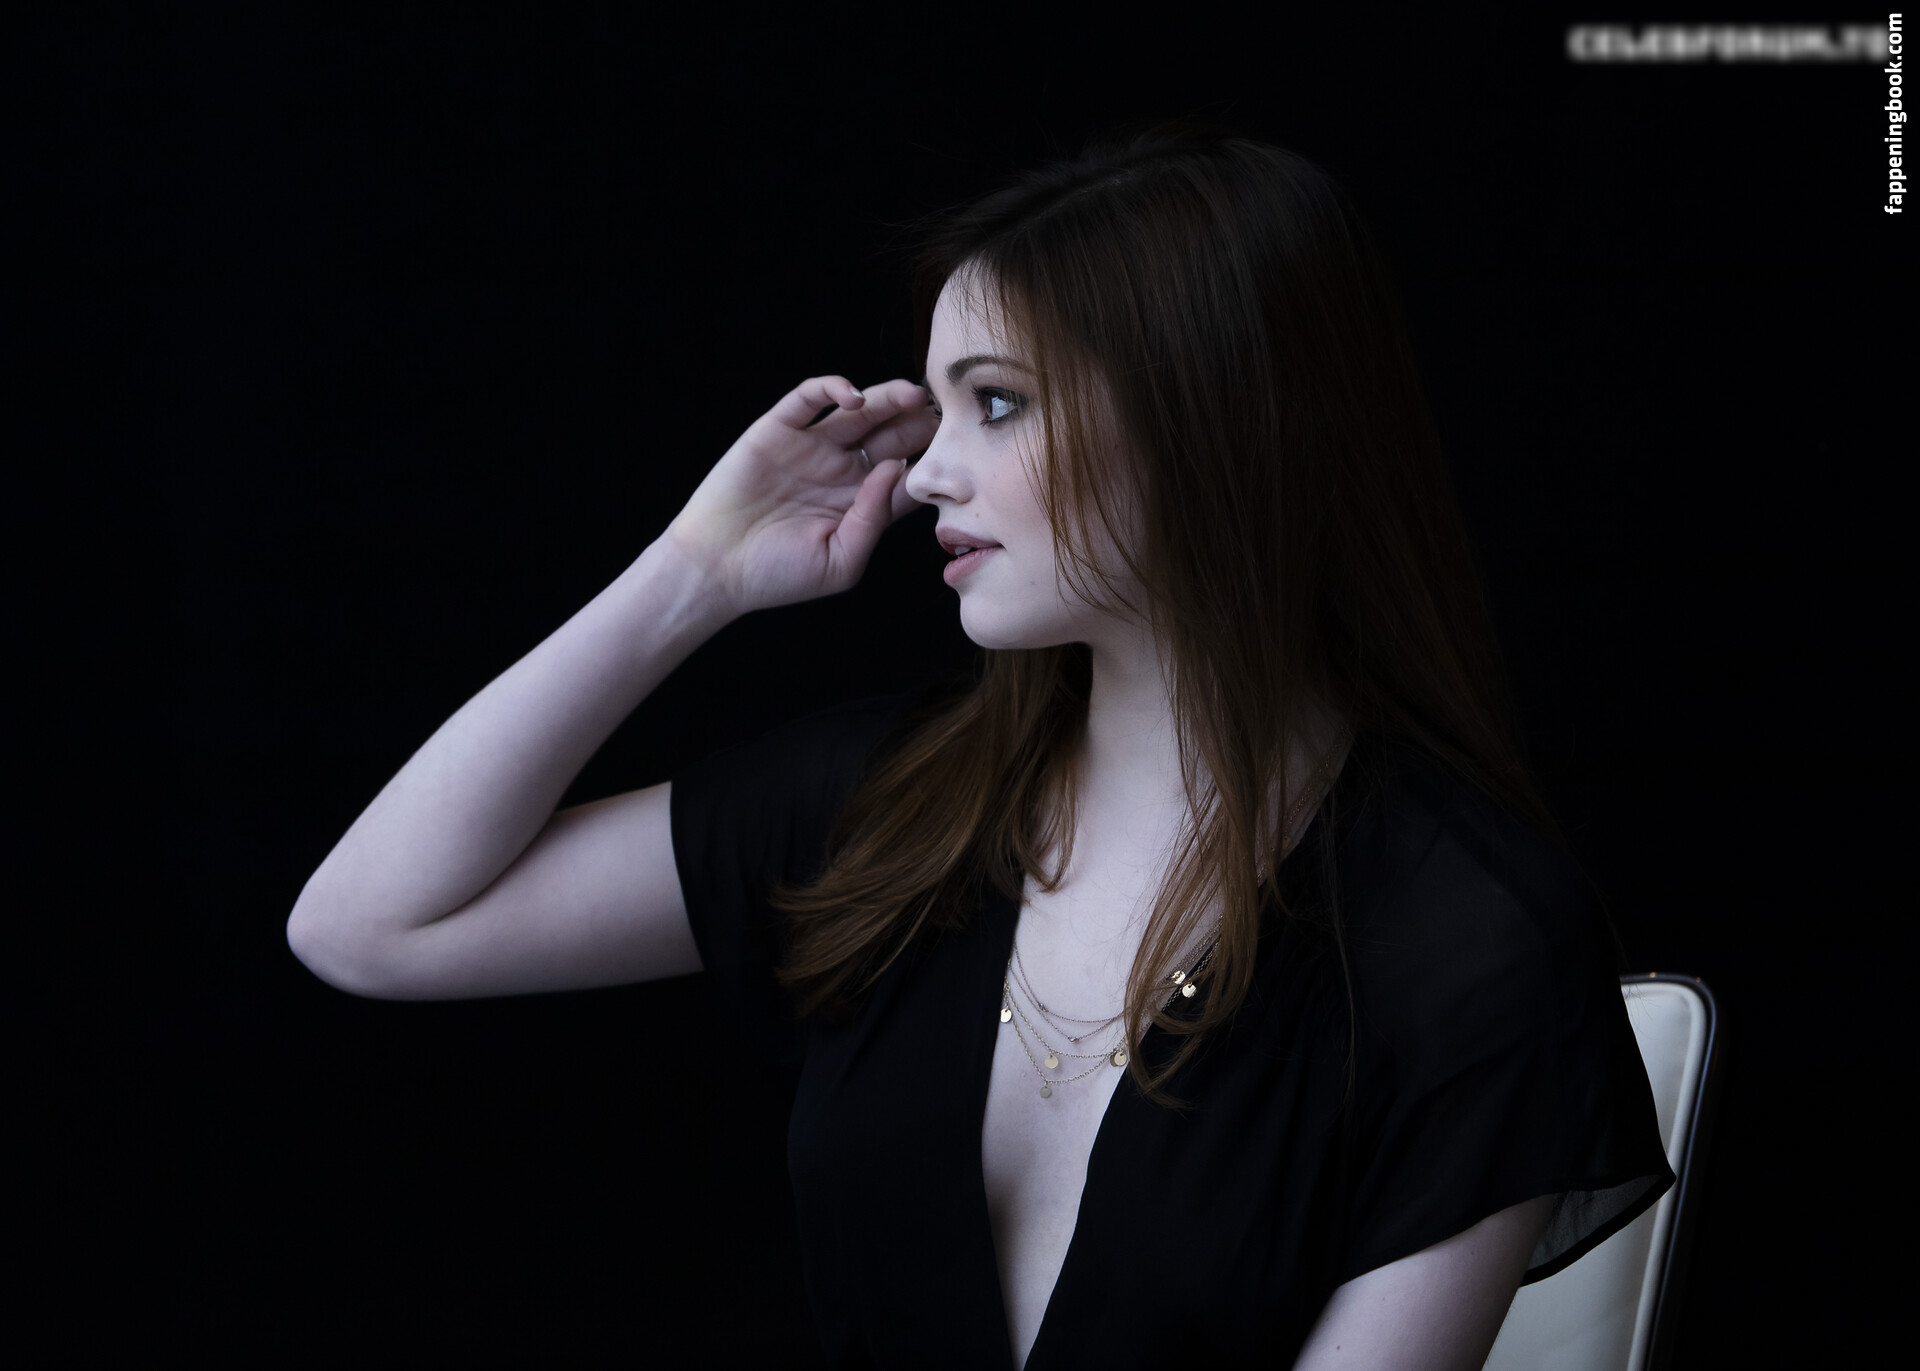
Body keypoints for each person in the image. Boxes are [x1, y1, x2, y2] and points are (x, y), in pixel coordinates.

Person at [288, 124, 1673, 1369]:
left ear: (1211, 414)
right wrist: (693, 575)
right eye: (939, 409)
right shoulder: (890, 808)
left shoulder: (1465, 939)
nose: (927, 471)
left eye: (996, 403)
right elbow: (371, 925)